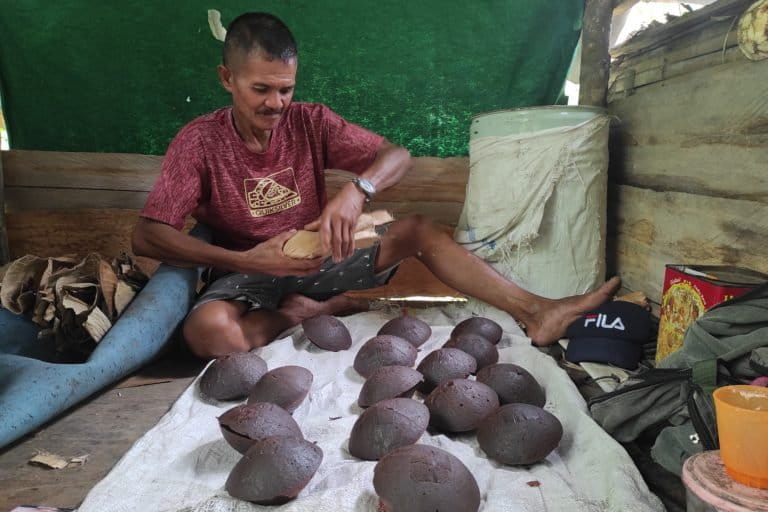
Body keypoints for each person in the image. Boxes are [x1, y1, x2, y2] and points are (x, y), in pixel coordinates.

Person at [132, 12, 620, 359]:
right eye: (261, 89)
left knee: (421, 230)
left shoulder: (311, 122)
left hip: (322, 254)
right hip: (248, 271)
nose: (276, 103)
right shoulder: (199, 141)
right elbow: (147, 234)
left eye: (286, 88)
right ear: (227, 79)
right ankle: (305, 313)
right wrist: (244, 260)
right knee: (210, 336)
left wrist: (357, 190)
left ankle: (535, 311)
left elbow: (396, 155)